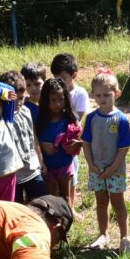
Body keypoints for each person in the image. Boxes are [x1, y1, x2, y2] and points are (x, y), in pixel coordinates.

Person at [82, 70, 130, 253]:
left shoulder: (121, 119)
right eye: (98, 95)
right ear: (93, 95)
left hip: (115, 170)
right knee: (101, 201)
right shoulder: (91, 118)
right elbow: (86, 143)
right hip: (96, 170)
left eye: (107, 95)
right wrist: (91, 164)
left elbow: (124, 148)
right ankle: (103, 234)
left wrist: (112, 168)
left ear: (117, 94)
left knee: (118, 203)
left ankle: (124, 237)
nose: (102, 99)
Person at [1, 71, 48, 204]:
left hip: (33, 170)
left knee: (41, 203)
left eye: (21, 98)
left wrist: (41, 160)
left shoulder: (26, 111)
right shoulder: (1, 118)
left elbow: (33, 137)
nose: (18, 104)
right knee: (17, 208)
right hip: (14, 175)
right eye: (12, 100)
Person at [50, 53, 88, 209]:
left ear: (74, 75)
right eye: (55, 78)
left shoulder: (80, 94)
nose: (59, 82)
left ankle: (70, 208)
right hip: (53, 141)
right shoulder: (52, 93)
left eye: (63, 78)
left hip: (69, 143)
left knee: (71, 176)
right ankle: (57, 206)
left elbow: (77, 120)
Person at [36, 77, 82, 202]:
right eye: (53, 100)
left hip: (65, 165)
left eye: (61, 100)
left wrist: (77, 144)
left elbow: (82, 137)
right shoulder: (39, 119)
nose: (57, 104)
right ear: (46, 100)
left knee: (66, 197)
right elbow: (33, 140)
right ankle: (55, 221)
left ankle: (67, 219)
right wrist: (43, 146)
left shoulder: (70, 117)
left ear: (66, 99)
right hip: (47, 167)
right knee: (51, 198)